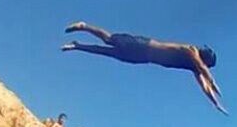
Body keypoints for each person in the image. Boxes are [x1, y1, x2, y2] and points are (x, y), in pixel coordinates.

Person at [62, 22, 227, 115]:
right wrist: (215, 84)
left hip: (142, 58)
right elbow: (204, 72)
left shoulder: (193, 66)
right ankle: (84, 26)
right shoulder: (192, 51)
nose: (205, 67)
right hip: (143, 45)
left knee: (107, 53)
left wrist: (215, 102)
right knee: (109, 39)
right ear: (205, 58)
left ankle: (77, 46)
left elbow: (203, 85)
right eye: (206, 64)